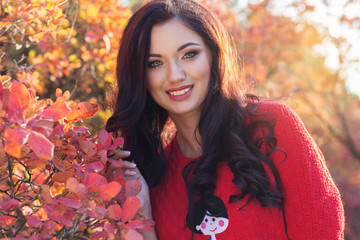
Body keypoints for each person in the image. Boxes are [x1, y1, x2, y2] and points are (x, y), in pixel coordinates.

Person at [105, 0, 345, 239]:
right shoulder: (154, 178)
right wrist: (142, 216)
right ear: (139, 76)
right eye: (155, 63)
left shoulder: (273, 127)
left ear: (213, 55)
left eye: (189, 54)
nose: (175, 75)